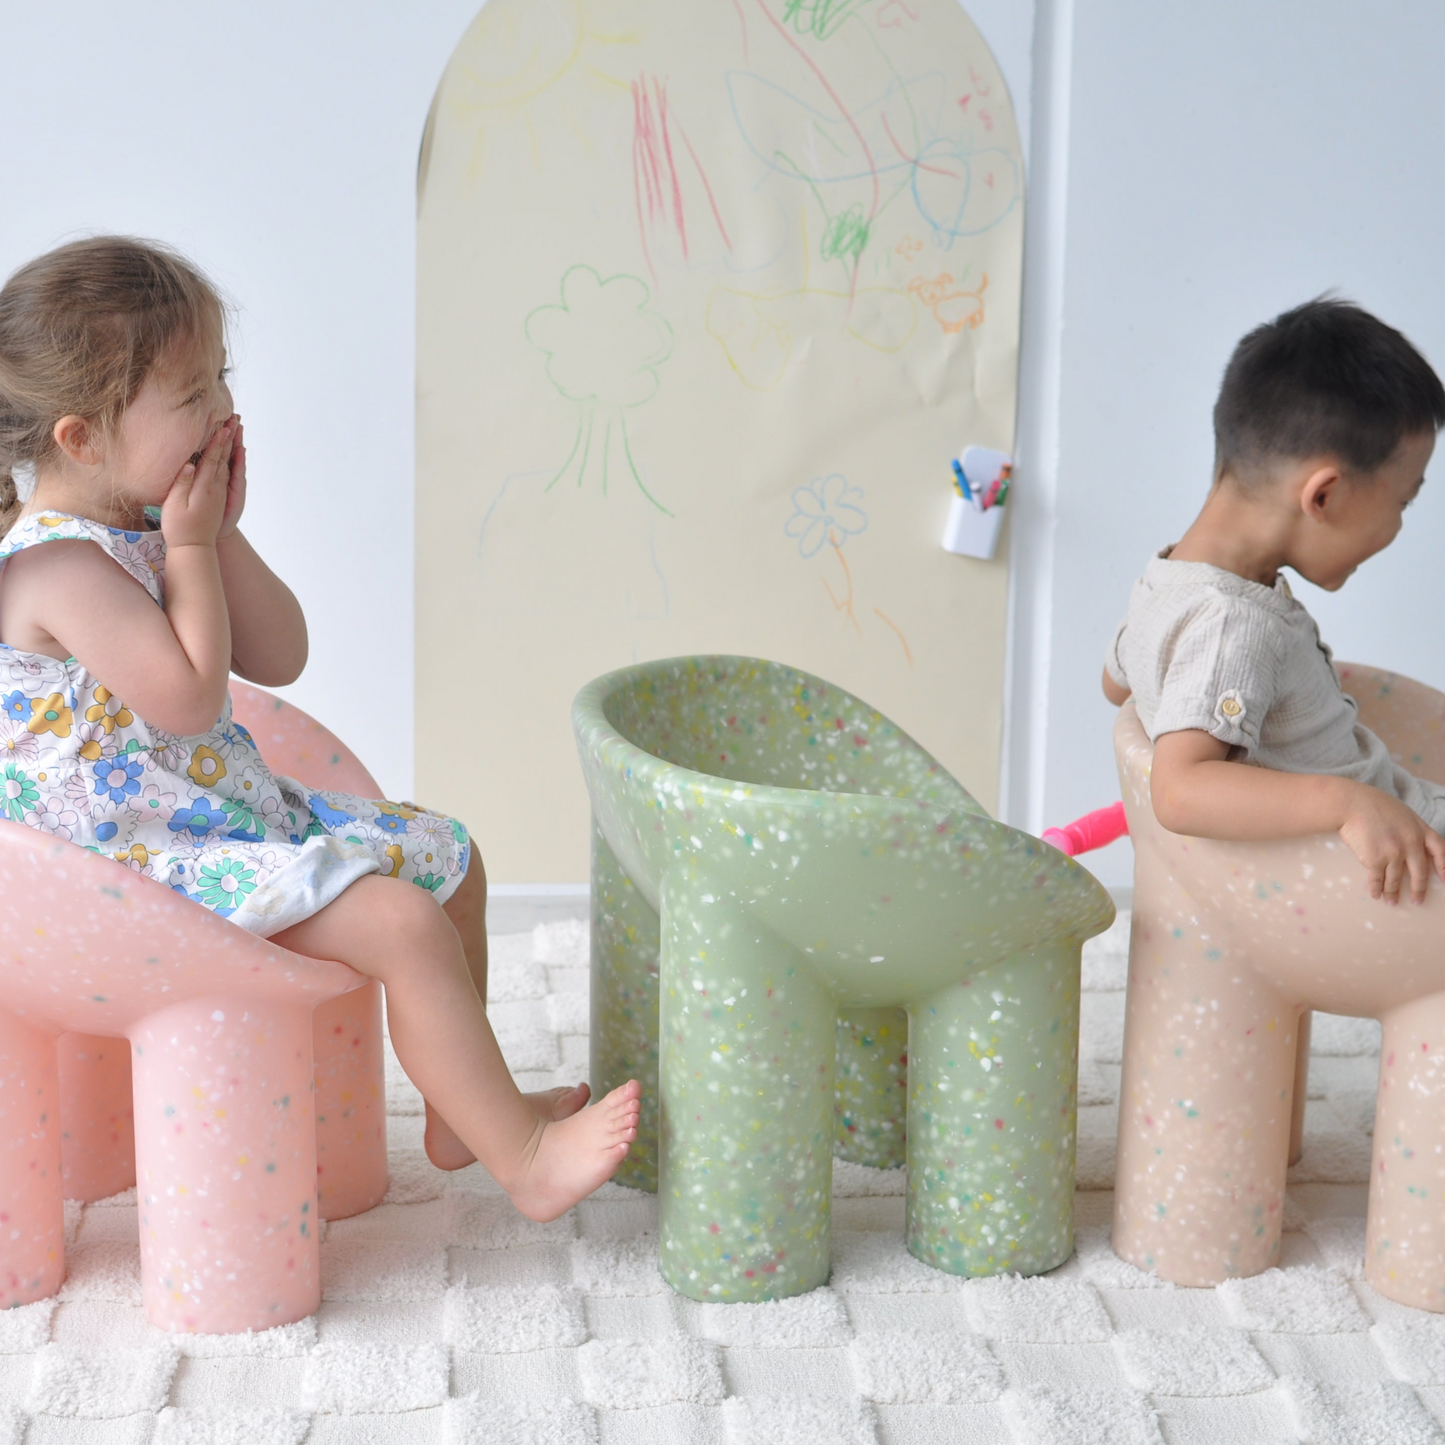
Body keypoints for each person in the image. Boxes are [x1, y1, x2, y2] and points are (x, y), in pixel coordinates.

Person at [0, 235, 638, 1220]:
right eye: (189, 391)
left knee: (450, 858)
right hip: (131, 866)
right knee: (401, 923)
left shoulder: (145, 526)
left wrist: (223, 534)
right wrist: (191, 544)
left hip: (219, 822)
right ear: (83, 438)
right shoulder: (55, 568)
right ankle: (526, 1161)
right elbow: (187, 698)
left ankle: (462, 1112)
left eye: (221, 375)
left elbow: (279, 652)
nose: (220, 407)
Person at [1103, 297, 1445, 908]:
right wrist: (1348, 801)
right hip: (1394, 860)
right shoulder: (1234, 624)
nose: (1398, 526)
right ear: (1326, 495)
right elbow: (1180, 792)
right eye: (1404, 501)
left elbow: (1115, 682)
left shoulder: (1168, 576)